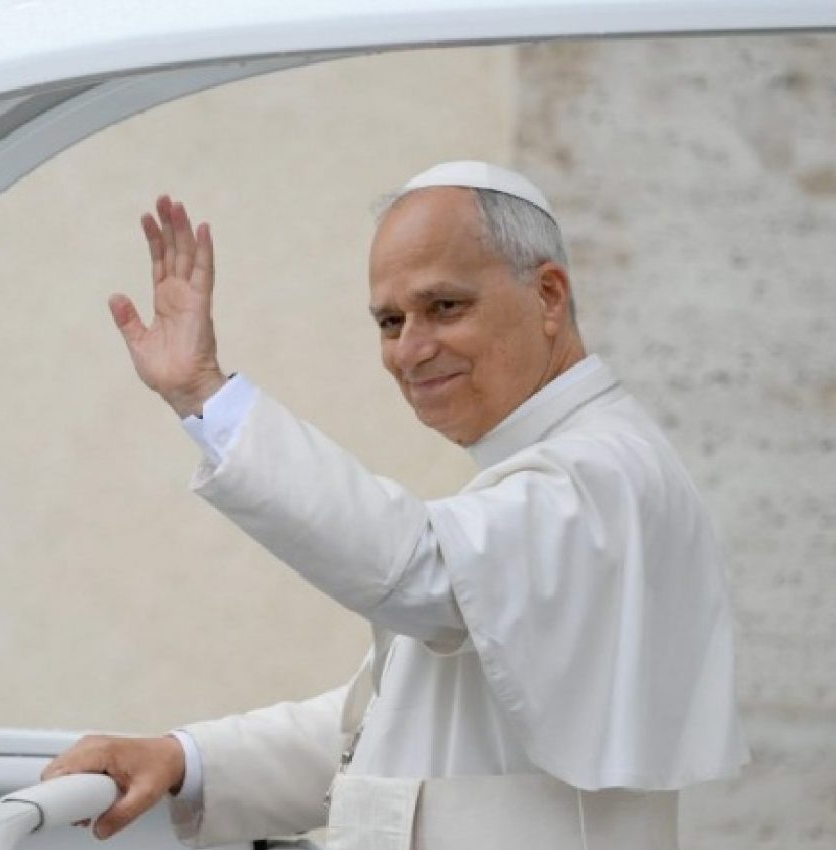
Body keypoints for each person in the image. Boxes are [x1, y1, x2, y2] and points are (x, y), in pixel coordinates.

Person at [42, 162, 747, 850]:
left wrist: (206, 395)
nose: (411, 349)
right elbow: (386, 727)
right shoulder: (549, 473)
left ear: (548, 296)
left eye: (445, 307)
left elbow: (414, 569)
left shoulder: (601, 474)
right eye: (389, 321)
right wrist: (182, 759)